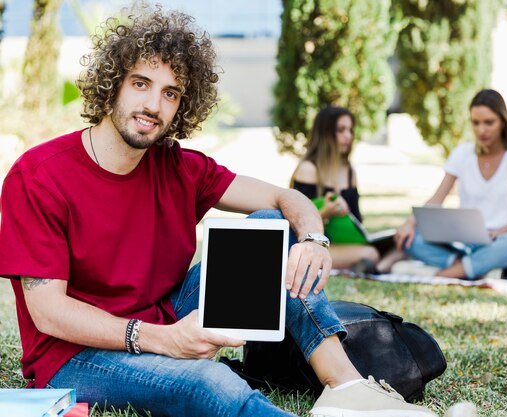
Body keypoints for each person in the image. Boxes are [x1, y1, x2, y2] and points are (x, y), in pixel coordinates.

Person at [0, 4, 476, 417]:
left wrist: (313, 238)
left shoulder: (179, 166)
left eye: (171, 93)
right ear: (112, 84)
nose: (153, 104)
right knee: (211, 383)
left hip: (167, 316)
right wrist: (165, 341)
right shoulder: (39, 174)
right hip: (74, 357)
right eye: (141, 83)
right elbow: (49, 313)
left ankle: (347, 387)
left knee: (272, 229)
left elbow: (286, 201)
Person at [393, 89, 507, 279]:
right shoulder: (462, 154)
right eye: (476, 123)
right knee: (411, 240)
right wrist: (410, 223)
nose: (481, 130)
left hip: (503, 240)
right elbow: (437, 199)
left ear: (503, 122)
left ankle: (449, 272)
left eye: (489, 122)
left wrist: (498, 232)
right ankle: (475, 268)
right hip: (467, 242)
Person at [290, 106, 402, 273]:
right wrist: (326, 212)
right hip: (314, 245)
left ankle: (373, 268)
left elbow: (357, 220)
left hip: (346, 245)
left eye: (350, 130)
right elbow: (296, 225)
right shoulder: (308, 170)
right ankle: (375, 268)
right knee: (370, 253)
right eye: (341, 130)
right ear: (325, 133)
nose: (348, 136)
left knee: (402, 244)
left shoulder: (349, 171)